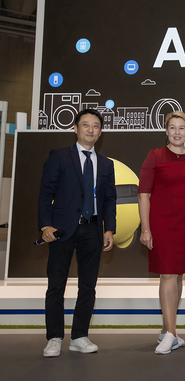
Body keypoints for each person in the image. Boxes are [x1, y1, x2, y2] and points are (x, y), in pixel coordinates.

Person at [38, 109, 117, 358]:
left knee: (88, 287)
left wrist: (109, 229)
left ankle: (79, 336)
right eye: (86, 125)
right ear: (75, 128)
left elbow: (110, 200)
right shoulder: (59, 157)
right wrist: (45, 225)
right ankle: (54, 338)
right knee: (56, 285)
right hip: (62, 230)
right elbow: (45, 194)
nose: (91, 129)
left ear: (100, 132)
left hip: (92, 230)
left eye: (95, 126)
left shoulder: (106, 164)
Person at [138, 111, 185, 355]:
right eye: (173, 128)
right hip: (161, 225)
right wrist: (146, 228)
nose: (177, 132)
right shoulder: (154, 156)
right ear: (166, 131)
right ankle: (172, 334)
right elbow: (143, 193)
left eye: (181, 128)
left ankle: (168, 328)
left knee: (178, 276)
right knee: (167, 274)